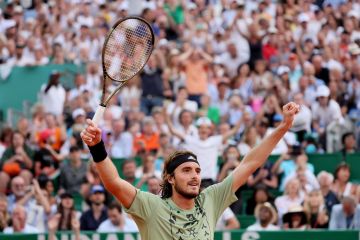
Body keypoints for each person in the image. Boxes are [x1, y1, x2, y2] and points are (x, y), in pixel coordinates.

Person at [81, 102, 299, 239]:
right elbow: (114, 183)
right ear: (170, 178)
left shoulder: (210, 199)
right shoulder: (150, 206)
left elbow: (250, 163)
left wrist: (282, 127)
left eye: (197, 170)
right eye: (186, 170)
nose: (195, 176)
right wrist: (97, 147)